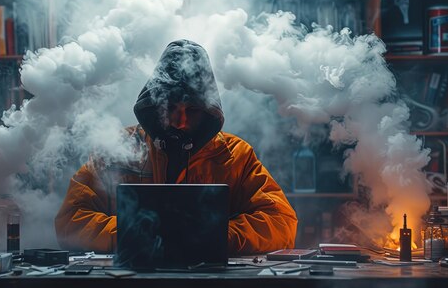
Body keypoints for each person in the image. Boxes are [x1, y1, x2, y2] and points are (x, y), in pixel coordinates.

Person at [55, 39, 297, 255]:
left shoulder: (236, 155)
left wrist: (214, 236)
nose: (180, 122)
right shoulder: (115, 149)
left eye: (191, 110)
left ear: (208, 111)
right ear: (153, 105)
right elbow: (70, 220)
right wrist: (134, 234)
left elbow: (281, 222)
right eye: (170, 107)